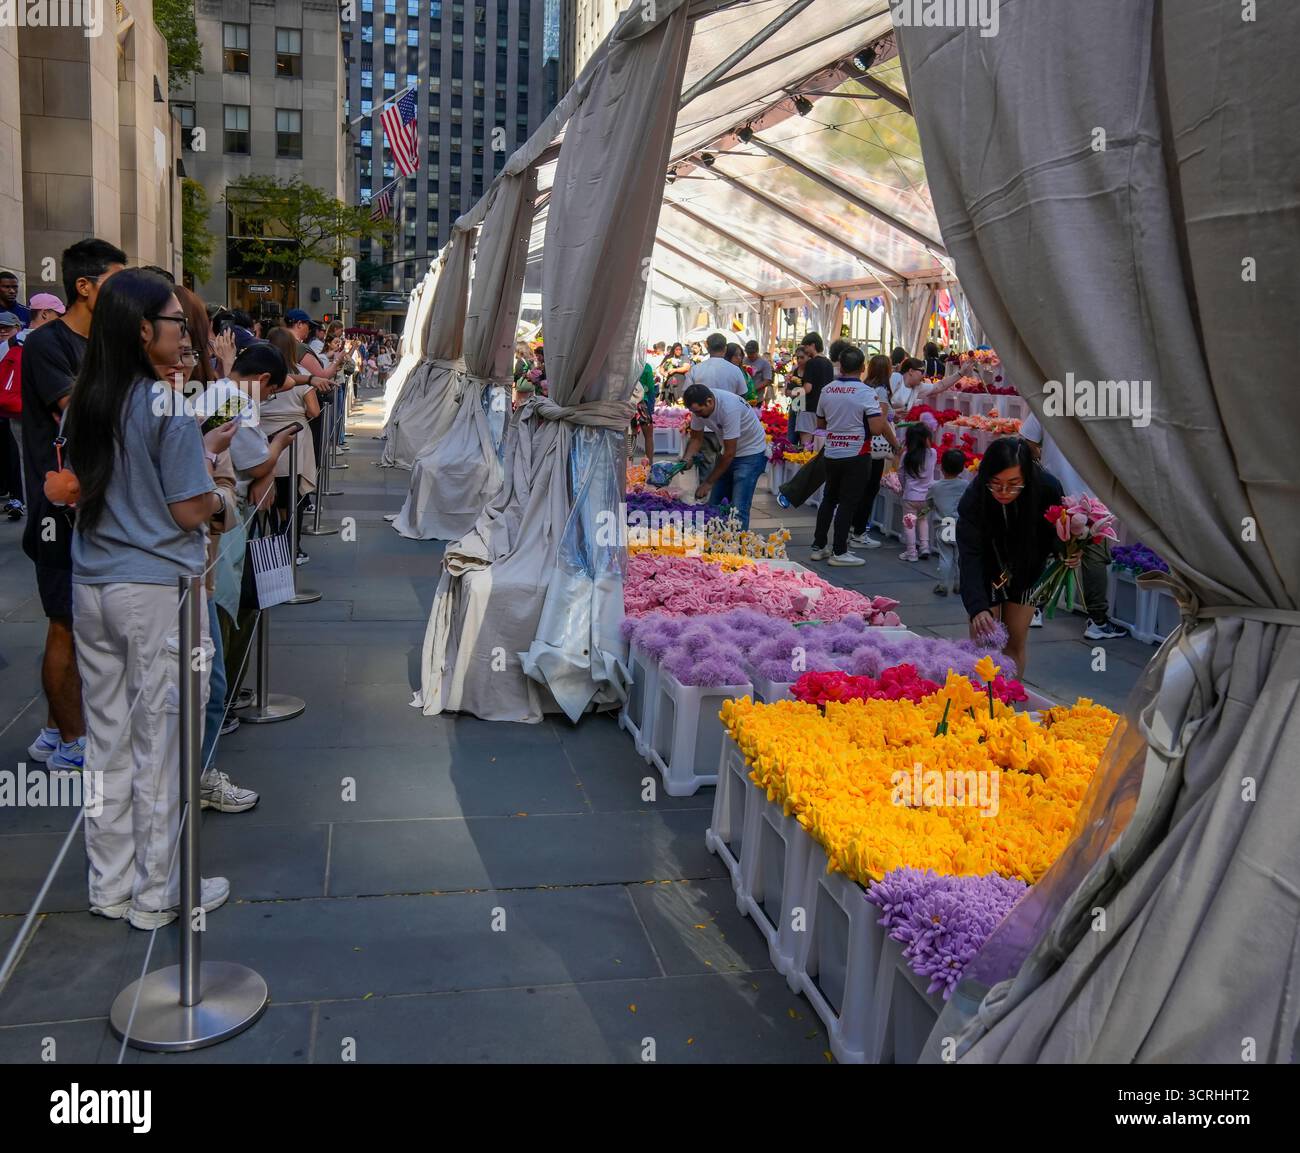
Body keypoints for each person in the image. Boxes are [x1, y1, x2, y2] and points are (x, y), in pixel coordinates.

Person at [64, 269, 232, 927]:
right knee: (163, 738)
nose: (186, 334)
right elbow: (190, 508)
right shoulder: (163, 403)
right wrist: (221, 492)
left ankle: (109, 882)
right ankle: (158, 889)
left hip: (94, 583)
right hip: (155, 586)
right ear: (141, 330)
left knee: (106, 738)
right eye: (174, 322)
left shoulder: (87, 397)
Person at [20, 238, 126, 772]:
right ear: (83, 287)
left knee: (87, 624)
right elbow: (80, 409)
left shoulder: (105, 346)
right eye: (114, 282)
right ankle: (71, 741)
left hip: (96, 503)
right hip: (58, 511)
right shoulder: (46, 345)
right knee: (64, 621)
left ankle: (53, 730)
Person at [957, 436, 1069, 678]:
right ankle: (981, 704)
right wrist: (978, 607)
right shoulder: (974, 498)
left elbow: (1057, 533)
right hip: (988, 568)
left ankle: (1009, 703)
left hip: (1027, 568)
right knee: (984, 642)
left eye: (1014, 483)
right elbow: (970, 556)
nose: (1004, 492)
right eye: (995, 483)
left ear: (1027, 477)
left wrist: (1067, 551)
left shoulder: (1047, 488)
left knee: (1014, 642)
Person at [1019, 411, 1128, 639]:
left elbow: (1027, 439)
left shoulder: (1050, 397)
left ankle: (1035, 607)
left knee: (1049, 549)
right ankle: (1097, 620)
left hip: (1055, 490)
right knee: (1094, 557)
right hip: (1093, 497)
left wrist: (1043, 459)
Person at [809, 346, 899, 566]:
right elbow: (877, 428)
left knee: (829, 498)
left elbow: (820, 423)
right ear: (862, 367)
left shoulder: (827, 389)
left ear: (840, 365)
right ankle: (840, 552)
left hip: (832, 451)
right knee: (848, 502)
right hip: (857, 453)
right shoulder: (866, 393)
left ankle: (818, 546)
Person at [680, 382, 768, 529]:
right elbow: (696, 438)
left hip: (751, 453)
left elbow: (729, 453)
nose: (698, 416)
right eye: (694, 412)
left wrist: (708, 483)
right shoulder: (699, 408)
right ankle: (717, 545)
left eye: (699, 411)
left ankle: (737, 548)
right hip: (728, 452)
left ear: (709, 401)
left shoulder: (729, 408)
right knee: (715, 505)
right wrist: (686, 458)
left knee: (738, 508)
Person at [266, 327, 321, 561]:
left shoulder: (259, 375)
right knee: (293, 495)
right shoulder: (299, 374)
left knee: (270, 496)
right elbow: (314, 410)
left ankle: (274, 539)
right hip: (294, 440)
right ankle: (292, 547)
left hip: (263, 440)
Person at [927, 448, 969, 596]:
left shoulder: (935, 486)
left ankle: (943, 585)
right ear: (963, 468)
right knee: (960, 557)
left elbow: (929, 504)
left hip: (944, 525)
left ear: (942, 467)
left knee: (945, 557)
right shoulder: (965, 485)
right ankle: (959, 585)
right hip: (961, 526)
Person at [898, 421, 937, 562]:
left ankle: (911, 552)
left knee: (909, 524)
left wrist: (904, 487)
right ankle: (925, 547)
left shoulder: (906, 455)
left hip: (910, 497)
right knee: (923, 520)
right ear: (927, 438)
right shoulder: (932, 453)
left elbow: (900, 474)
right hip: (926, 497)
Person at [795, 332, 834, 446]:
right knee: (819, 443)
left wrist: (794, 393)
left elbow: (807, 388)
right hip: (823, 408)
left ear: (812, 345)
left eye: (806, 346)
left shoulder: (811, 363)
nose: (805, 350)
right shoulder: (829, 363)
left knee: (806, 444)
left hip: (808, 407)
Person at [684, 332, 748, 397]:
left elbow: (687, 393)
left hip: (703, 406)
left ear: (707, 348)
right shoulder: (735, 370)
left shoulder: (695, 370)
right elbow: (742, 394)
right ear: (725, 349)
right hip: (729, 406)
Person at [891, 356, 957, 415]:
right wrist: (892, 413)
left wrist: (960, 373)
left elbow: (940, 386)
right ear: (911, 371)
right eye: (922, 372)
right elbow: (881, 402)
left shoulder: (918, 386)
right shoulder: (895, 378)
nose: (923, 376)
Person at [745, 340, 775, 406]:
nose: (750, 355)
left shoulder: (765, 363)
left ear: (757, 351)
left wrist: (752, 389)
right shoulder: (743, 360)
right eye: (748, 353)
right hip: (743, 397)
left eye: (752, 353)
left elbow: (767, 381)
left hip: (757, 398)